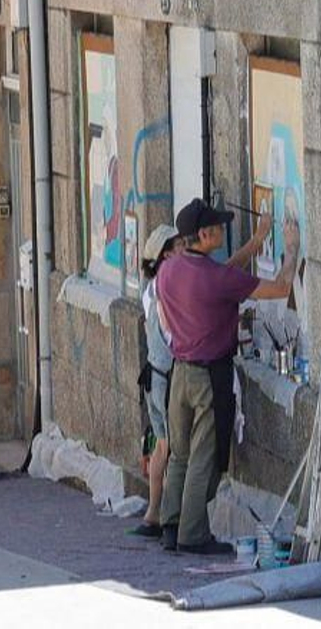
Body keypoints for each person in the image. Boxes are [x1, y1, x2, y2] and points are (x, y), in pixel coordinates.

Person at [156, 198, 298, 555]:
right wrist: (292, 249)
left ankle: (171, 525)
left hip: (181, 375)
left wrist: (257, 240)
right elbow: (279, 288)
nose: (223, 231)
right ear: (204, 235)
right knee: (205, 455)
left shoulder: (169, 269)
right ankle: (193, 535)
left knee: (180, 454)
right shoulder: (216, 279)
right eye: (219, 228)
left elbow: (225, 278)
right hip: (209, 376)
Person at [128, 224, 186, 539]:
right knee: (171, 447)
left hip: (153, 374)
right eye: (179, 246)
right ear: (166, 254)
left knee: (161, 445)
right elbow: (172, 333)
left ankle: (153, 512)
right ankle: (169, 517)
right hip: (165, 376)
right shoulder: (165, 290)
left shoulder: (149, 289)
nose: (184, 249)